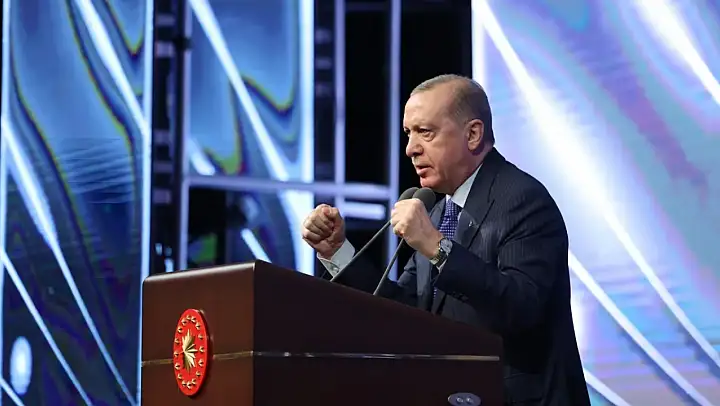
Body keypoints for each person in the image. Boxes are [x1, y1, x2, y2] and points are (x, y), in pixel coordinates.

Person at [301, 74, 590, 406]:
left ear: (473, 134)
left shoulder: (523, 200)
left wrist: (437, 248)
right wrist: (338, 252)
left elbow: (522, 308)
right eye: (408, 133)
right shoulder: (440, 213)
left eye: (425, 132)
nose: (410, 149)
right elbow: (405, 313)